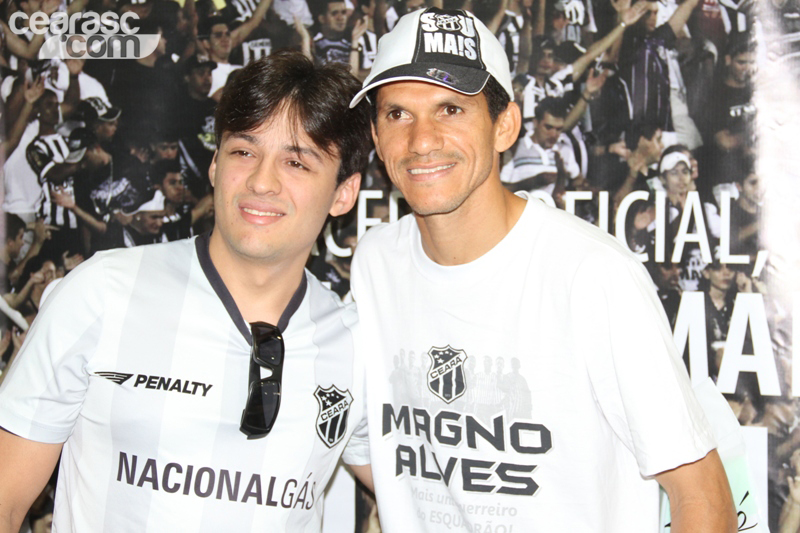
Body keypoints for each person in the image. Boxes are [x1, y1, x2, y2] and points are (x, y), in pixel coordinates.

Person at [346, 7, 736, 531]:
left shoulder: (593, 274)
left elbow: (703, 496)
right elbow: (377, 453)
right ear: (375, 135)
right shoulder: (376, 264)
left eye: (450, 109)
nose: (421, 140)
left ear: (505, 125)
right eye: (397, 114)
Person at [0, 50, 371, 532]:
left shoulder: (355, 345)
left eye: (296, 162)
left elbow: (429, 492)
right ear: (215, 165)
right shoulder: (102, 293)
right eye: (244, 152)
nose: (261, 181)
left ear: (344, 192)